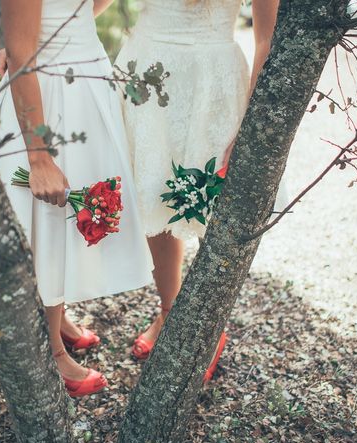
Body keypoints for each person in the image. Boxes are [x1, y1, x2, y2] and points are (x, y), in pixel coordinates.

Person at [0, 0, 154, 397]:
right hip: (47, 100)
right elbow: (23, 52)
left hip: (86, 81)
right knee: (49, 220)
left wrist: (46, 33)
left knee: (71, 217)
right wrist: (39, 156)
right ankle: (50, 352)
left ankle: (55, 315)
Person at [115, 0, 280, 360]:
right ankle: (170, 311)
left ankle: (205, 326)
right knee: (153, 193)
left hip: (212, 83)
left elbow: (267, 39)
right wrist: (27, 45)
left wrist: (251, 124)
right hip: (145, 73)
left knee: (215, 209)